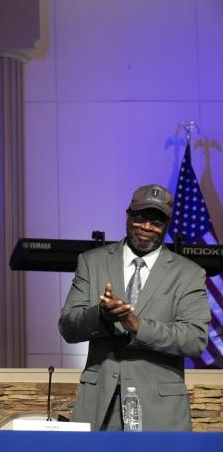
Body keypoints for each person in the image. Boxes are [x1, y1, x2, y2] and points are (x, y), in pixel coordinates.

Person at [59, 184, 211, 431]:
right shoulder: (92, 262)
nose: (147, 228)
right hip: (100, 407)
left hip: (160, 411)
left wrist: (138, 326)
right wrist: (100, 316)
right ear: (128, 215)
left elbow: (195, 339)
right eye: (141, 218)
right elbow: (68, 326)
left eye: (157, 222)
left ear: (167, 225)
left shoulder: (189, 274)